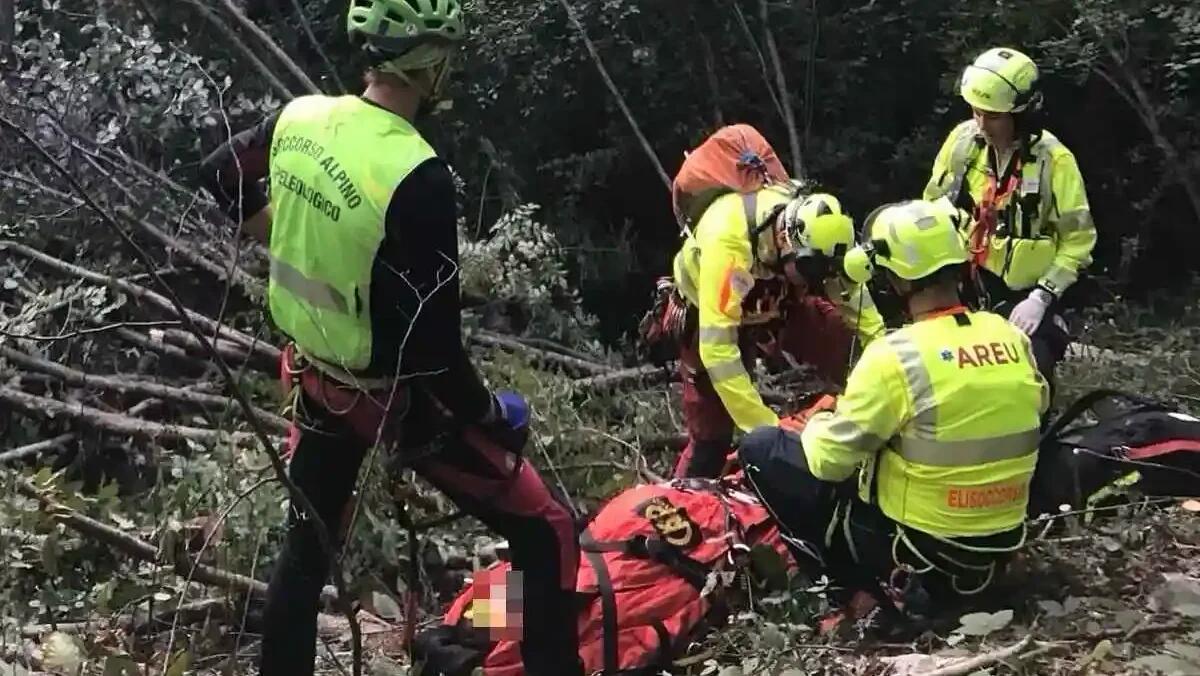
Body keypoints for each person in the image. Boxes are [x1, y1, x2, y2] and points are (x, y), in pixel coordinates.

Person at [195, 2, 583, 674]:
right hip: (393, 398)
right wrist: (491, 415)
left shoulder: (300, 116)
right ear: (430, 62)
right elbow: (433, 355)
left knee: (308, 548)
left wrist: (273, 235)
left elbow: (218, 171)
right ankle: (540, 655)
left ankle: (479, 629)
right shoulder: (417, 174)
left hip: (315, 378)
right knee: (544, 532)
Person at [738, 199, 1050, 625]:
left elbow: (829, 462)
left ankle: (846, 588)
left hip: (921, 556)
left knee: (761, 448)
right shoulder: (1011, 337)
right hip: (999, 548)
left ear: (891, 279)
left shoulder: (895, 357)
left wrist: (821, 423)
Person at [668, 182, 886, 479]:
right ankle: (684, 497)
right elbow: (717, 350)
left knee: (842, 342)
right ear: (784, 239)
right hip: (709, 313)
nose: (818, 279)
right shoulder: (728, 243)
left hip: (772, 300)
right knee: (711, 437)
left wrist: (887, 362)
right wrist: (767, 429)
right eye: (811, 270)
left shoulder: (814, 237)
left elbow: (857, 303)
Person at [923, 47, 1097, 400]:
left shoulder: (1055, 162)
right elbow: (931, 208)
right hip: (965, 283)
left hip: (1026, 295)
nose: (982, 125)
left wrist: (1041, 297)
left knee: (1028, 377)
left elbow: (1078, 241)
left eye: (993, 116)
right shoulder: (962, 144)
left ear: (1022, 115)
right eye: (976, 113)